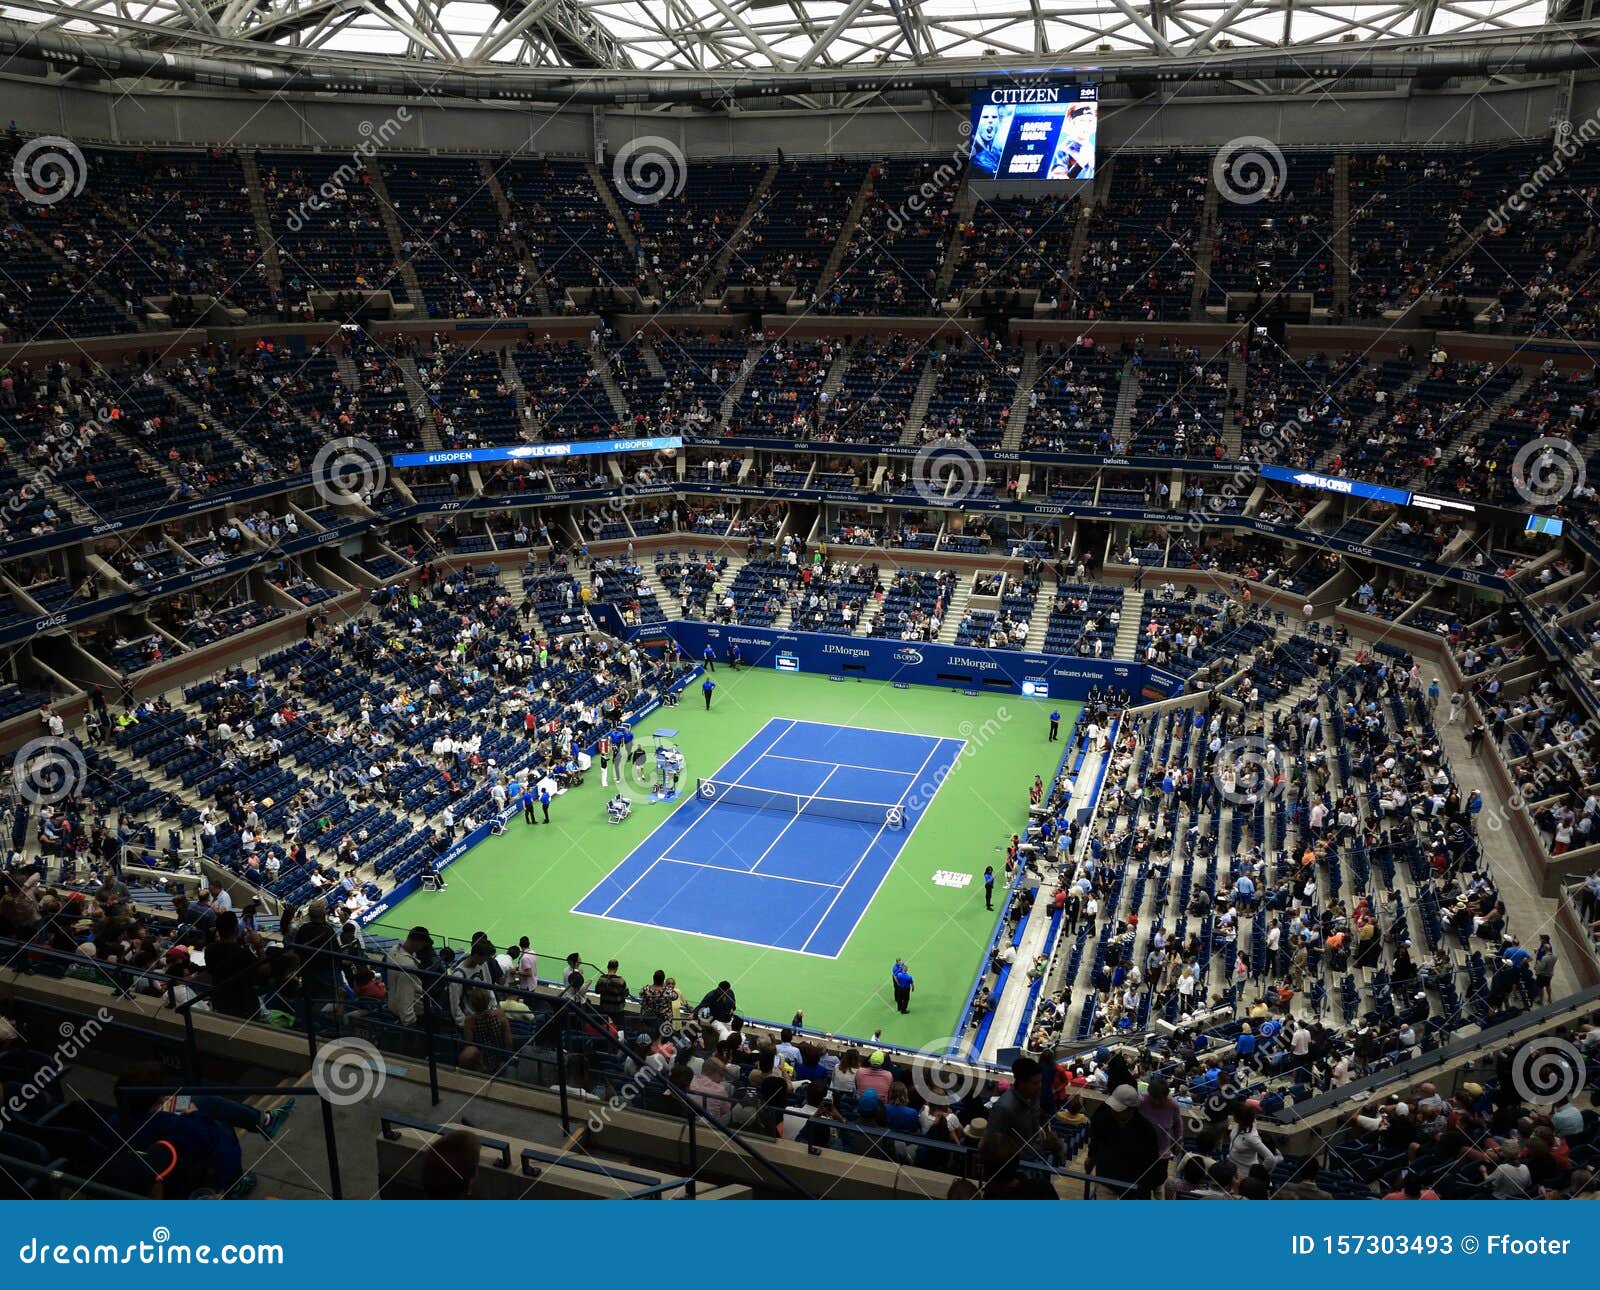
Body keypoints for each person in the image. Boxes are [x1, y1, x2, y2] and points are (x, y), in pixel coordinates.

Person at [1086, 1084, 1162, 1198]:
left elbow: (1152, 1160)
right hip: (1106, 1179)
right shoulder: (1104, 1118)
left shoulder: (1146, 1130)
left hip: (1132, 1184)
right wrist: (1091, 1156)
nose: (1113, 1110)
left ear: (1131, 1109)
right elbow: (1096, 1139)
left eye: (1118, 1108)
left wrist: (1146, 1187)